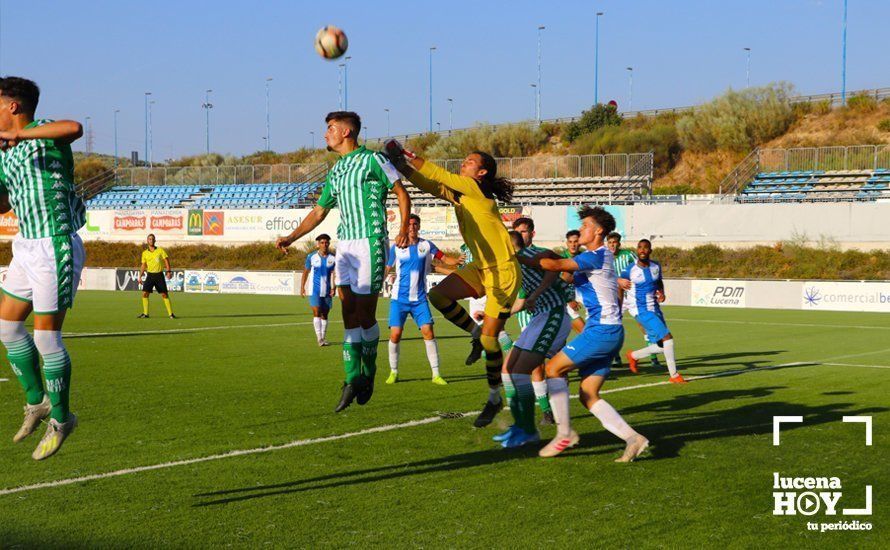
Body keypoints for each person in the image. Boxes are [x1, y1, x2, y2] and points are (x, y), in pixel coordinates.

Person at [277, 112, 410, 412]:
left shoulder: (373, 160)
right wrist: (290, 237)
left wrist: (402, 229)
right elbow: (318, 213)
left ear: (347, 132)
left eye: (330, 129)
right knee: (348, 314)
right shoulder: (335, 172)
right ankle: (352, 379)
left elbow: (401, 193)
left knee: (364, 314)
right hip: (346, 246)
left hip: (370, 240)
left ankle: (369, 373)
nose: (326, 135)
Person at [386, 140, 520, 428]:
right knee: (439, 296)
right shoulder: (463, 194)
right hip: (481, 267)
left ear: (482, 173)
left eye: (470, 162)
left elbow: (437, 175)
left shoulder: (475, 189)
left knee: (490, 339)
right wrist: (400, 168)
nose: (464, 163)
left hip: (504, 271)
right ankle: (473, 333)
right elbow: (429, 184)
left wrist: (406, 154)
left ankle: (495, 397)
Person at [519, 206, 648, 462]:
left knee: (553, 369)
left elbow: (555, 265)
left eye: (586, 226)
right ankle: (634, 439)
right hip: (606, 330)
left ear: (599, 231)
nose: (581, 230)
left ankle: (564, 434)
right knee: (588, 395)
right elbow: (565, 275)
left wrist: (517, 255)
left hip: (602, 330)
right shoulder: (596, 257)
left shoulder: (597, 255)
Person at [0, 76, 86, 460]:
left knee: (46, 339)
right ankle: (37, 402)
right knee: (6, 327)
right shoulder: (4, 154)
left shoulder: (45, 131)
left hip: (56, 244)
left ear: (13, 106)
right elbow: (3, 205)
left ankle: (62, 419)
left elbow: (75, 128)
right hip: (26, 245)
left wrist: (21, 138)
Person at [494, 228, 571, 448]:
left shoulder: (528, 256)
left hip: (554, 313)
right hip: (539, 317)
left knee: (522, 370)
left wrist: (537, 294)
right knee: (508, 369)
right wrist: (499, 315)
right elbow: (521, 300)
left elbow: (555, 267)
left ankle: (528, 429)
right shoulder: (515, 262)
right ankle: (523, 426)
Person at [384, 214, 460, 385]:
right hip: (399, 299)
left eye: (415, 224)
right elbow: (388, 267)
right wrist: (377, 283)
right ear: (405, 227)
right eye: (409, 224)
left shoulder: (426, 245)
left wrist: (455, 261)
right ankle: (394, 372)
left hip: (419, 299)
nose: (412, 227)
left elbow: (444, 258)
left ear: (419, 226)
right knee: (395, 335)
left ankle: (436, 374)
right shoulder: (396, 246)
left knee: (429, 332)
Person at [510, 217, 562, 426]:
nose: (520, 235)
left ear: (532, 233)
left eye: (523, 232)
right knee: (535, 366)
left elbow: (560, 277)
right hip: (528, 316)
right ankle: (546, 411)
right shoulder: (511, 259)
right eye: (517, 232)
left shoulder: (540, 255)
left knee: (554, 365)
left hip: (549, 313)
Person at [618, 239, 686, 383]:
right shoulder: (629, 270)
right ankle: (674, 376)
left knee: (662, 345)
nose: (642, 250)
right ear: (637, 250)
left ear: (650, 251)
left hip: (654, 307)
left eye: (645, 247)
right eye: (639, 247)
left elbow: (658, 281)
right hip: (640, 309)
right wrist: (619, 306)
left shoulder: (656, 266)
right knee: (667, 338)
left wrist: (661, 292)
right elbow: (620, 286)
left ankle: (634, 356)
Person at [607, 231, 661, 370]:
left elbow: (640, 268)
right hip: (614, 296)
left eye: (615, 242)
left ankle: (653, 357)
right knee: (613, 325)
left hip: (631, 296)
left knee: (643, 325)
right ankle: (616, 357)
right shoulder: (604, 257)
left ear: (619, 243)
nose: (612, 245)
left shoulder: (628, 255)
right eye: (610, 242)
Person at [302, 234, 336, 346]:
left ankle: (323, 337)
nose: (324, 244)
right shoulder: (311, 257)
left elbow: (335, 274)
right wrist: (302, 287)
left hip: (327, 291)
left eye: (326, 242)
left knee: (325, 315)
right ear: (318, 244)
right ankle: (319, 339)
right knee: (316, 312)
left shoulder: (333, 258)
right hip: (314, 290)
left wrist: (334, 287)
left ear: (329, 244)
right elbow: (306, 272)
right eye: (322, 242)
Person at [138, 234, 175, 319]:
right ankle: (145, 313)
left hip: (159, 275)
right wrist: (140, 276)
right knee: (144, 293)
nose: (151, 240)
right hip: (150, 275)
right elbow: (143, 265)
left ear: (155, 241)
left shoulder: (160, 250)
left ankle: (171, 314)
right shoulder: (144, 253)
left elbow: (166, 260)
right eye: (149, 239)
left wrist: (169, 271)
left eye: (152, 239)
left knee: (164, 294)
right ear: (147, 241)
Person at [561, 229, 586, 334]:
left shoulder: (585, 257)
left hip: (583, 295)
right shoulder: (560, 259)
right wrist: (569, 300)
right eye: (570, 242)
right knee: (585, 332)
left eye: (575, 242)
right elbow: (558, 283)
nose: (573, 245)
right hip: (564, 300)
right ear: (567, 243)